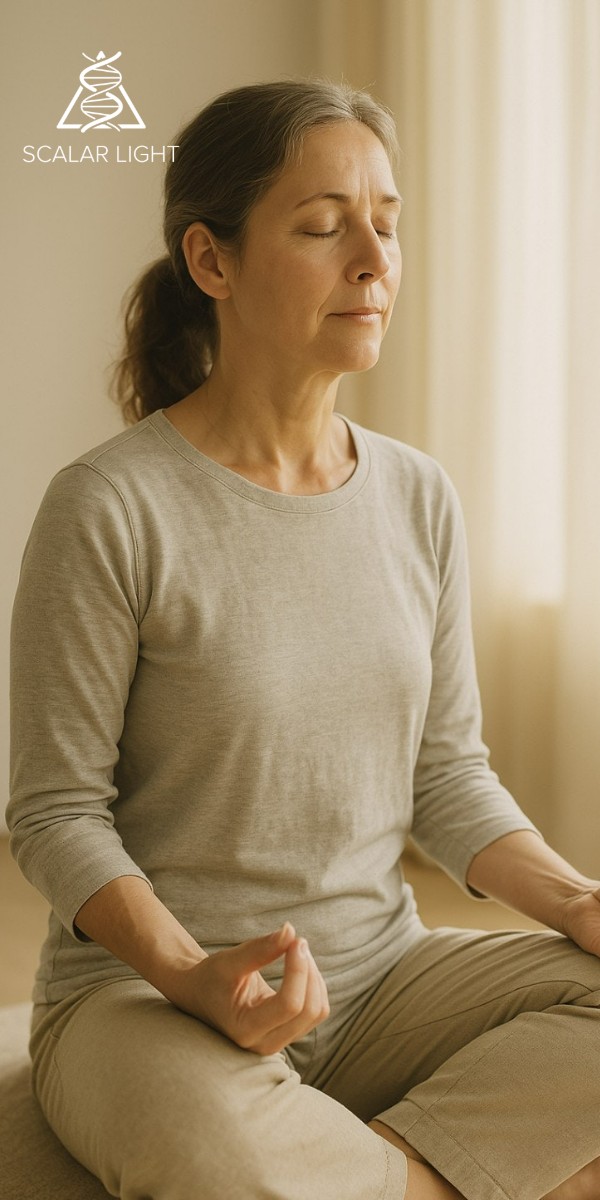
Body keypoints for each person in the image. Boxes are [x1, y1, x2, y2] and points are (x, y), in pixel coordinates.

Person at [7, 79, 600, 1200]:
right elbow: (52, 812)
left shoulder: (418, 496)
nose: (373, 259)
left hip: (383, 983)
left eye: (389, 222)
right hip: (145, 1000)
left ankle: (373, 1174)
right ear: (212, 261)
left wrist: (577, 901)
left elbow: (445, 773)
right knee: (207, 1142)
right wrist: (189, 974)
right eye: (326, 227)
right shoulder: (109, 506)